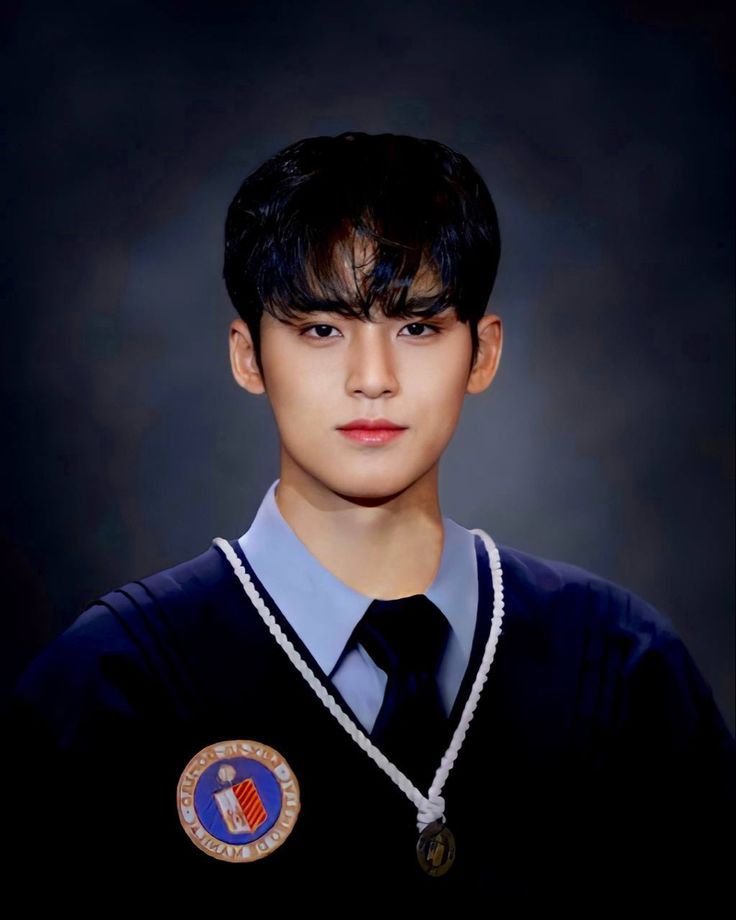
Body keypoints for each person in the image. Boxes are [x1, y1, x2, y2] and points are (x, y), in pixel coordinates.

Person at [3, 131, 733, 909]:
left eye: (418, 327)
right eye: (321, 330)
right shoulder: (115, 687)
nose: (372, 380)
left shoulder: (621, 666)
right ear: (248, 355)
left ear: (482, 354)